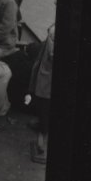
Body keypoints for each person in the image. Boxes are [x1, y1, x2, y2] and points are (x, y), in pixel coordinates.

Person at [28, 23, 54, 163]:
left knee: (45, 104)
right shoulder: (51, 34)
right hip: (44, 73)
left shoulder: (53, 35)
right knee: (43, 103)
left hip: (48, 77)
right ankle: (43, 125)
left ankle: (43, 132)